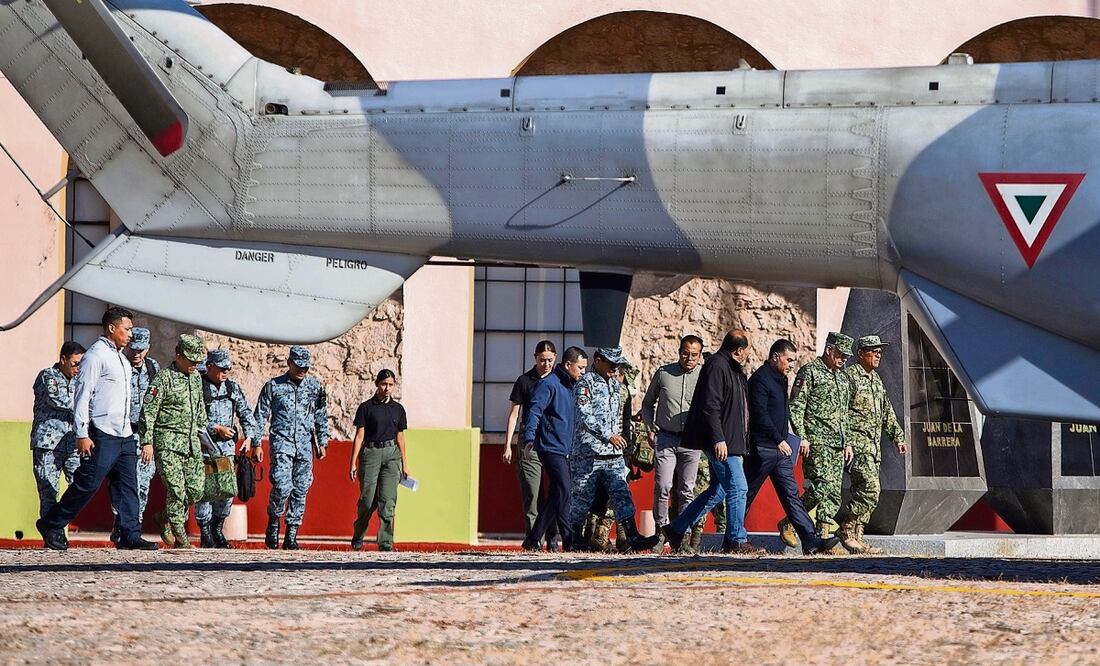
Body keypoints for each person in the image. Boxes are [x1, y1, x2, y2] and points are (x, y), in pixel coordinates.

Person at [36, 307, 158, 551]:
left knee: (128, 485)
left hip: (124, 434)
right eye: (127, 329)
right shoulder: (96, 355)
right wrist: (82, 433)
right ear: (112, 329)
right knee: (88, 482)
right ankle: (51, 522)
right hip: (103, 432)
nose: (130, 335)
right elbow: (82, 395)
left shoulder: (121, 358)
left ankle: (129, 534)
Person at [663, 330, 763, 554]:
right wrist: (718, 439)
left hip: (733, 441)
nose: (748, 354)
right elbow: (711, 405)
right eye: (747, 350)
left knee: (718, 490)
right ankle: (737, 539)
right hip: (722, 442)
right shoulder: (717, 366)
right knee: (739, 487)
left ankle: (677, 529)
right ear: (738, 350)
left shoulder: (734, 369)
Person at [745, 339, 840, 555]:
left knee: (791, 495)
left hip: (780, 450)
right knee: (746, 493)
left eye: (794, 361)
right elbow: (759, 415)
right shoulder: (760, 379)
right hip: (763, 448)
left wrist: (784, 441)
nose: (791, 365)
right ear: (775, 357)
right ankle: (734, 536)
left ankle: (810, 540)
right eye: (789, 360)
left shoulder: (781, 379)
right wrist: (778, 440)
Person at [564, 347, 659, 553]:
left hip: (614, 454)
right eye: (610, 363)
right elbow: (584, 414)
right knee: (582, 497)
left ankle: (632, 536)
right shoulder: (585, 383)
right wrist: (607, 435)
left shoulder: (616, 386)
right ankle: (574, 539)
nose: (615, 368)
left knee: (621, 493)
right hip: (589, 453)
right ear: (597, 361)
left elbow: (620, 419)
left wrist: (626, 442)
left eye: (617, 364)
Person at [255, 345, 330, 550]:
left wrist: (322, 441)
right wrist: (256, 443)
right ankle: (273, 520)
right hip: (282, 443)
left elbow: (321, 415)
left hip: (304, 445)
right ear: (289, 363)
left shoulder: (315, 387)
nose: (302, 371)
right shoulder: (274, 386)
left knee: (300, 489)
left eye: (305, 367)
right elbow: (260, 415)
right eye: (298, 366)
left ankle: (291, 534)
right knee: (282, 486)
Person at [838, 335, 908, 554]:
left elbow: (887, 411)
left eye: (880, 351)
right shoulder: (849, 377)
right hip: (857, 446)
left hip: (873, 447)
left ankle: (858, 538)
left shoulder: (876, 379)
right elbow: (839, 413)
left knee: (866, 491)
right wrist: (846, 442)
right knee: (871, 489)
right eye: (873, 350)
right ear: (860, 353)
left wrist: (898, 437)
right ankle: (847, 530)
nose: (878, 354)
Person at [787, 331, 854, 542]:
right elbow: (796, 406)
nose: (844, 359)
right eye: (841, 354)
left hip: (838, 445)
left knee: (834, 494)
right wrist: (802, 436)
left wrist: (848, 442)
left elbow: (846, 413)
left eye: (847, 356)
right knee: (820, 487)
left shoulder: (843, 378)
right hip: (817, 442)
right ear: (829, 349)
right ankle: (790, 521)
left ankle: (823, 537)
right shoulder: (810, 372)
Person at [141, 334, 207, 548]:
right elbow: (148, 411)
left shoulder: (196, 378)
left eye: (198, 361)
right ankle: (181, 537)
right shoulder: (163, 378)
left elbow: (199, 408)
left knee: (196, 490)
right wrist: (147, 442)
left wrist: (204, 434)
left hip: (191, 444)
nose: (195, 365)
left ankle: (165, 517)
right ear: (178, 355)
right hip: (167, 443)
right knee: (177, 489)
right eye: (191, 360)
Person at [521, 346, 587, 551]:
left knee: (557, 493)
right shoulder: (548, 384)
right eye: (581, 367)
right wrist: (529, 438)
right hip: (550, 446)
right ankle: (569, 539)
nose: (583, 372)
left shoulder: (571, 385)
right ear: (568, 365)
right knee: (565, 490)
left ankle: (533, 539)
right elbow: (534, 411)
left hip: (566, 448)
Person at [642, 335, 704, 550]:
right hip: (666, 437)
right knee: (663, 486)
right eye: (685, 353)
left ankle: (682, 535)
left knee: (687, 489)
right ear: (679, 352)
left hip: (692, 440)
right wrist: (650, 429)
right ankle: (661, 532)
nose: (689, 358)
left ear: (700, 356)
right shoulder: (664, 373)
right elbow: (647, 404)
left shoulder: (704, 376)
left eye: (694, 355)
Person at [195, 349, 261, 548]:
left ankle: (217, 527)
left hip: (227, 451)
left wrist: (250, 438)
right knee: (204, 490)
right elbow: (191, 418)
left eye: (228, 369)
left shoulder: (232, 388)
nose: (225, 372)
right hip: (205, 447)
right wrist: (216, 428)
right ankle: (205, 531)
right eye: (221, 368)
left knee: (226, 490)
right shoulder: (197, 387)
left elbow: (246, 414)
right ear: (210, 366)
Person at [502, 340, 559, 550]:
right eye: (542, 360)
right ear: (535, 357)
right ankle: (534, 538)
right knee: (532, 492)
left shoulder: (558, 380)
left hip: (553, 440)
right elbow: (514, 414)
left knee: (555, 490)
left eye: (550, 360)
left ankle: (553, 538)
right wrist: (507, 445)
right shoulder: (524, 381)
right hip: (529, 441)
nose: (546, 364)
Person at [349, 369, 409, 552]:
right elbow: (359, 436)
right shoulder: (366, 407)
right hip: (371, 453)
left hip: (392, 454)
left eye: (390, 385)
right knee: (367, 500)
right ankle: (358, 535)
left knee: (388, 500)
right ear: (377, 384)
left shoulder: (398, 409)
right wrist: (353, 462)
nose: (387, 388)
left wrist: (405, 464)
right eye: (384, 384)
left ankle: (385, 542)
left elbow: (401, 438)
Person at [112, 327, 159, 543]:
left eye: (141, 350)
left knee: (142, 484)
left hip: (144, 436)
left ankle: (132, 530)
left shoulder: (153, 368)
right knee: (120, 484)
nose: (137, 354)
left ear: (148, 349)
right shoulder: (117, 365)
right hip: (120, 432)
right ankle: (120, 524)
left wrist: (150, 439)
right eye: (133, 349)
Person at [30, 342, 85, 519]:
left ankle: (59, 522)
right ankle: (52, 534)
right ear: (63, 359)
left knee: (81, 485)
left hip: (72, 444)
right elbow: (58, 400)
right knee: (49, 492)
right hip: (49, 444)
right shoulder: (48, 376)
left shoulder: (80, 380)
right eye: (75, 363)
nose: (78, 368)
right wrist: (86, 405)